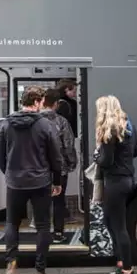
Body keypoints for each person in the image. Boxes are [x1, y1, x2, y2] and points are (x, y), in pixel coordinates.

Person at [0, 86, 63, 274]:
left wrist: (10, 173)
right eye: (41, 102)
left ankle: (12, 266)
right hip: (40, 181)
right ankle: (39, 272)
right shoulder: (45, 125)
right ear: (36, 102)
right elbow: (55, 157)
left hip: (15, 182)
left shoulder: (6, 124)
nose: (42, 105)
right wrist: (56, 181)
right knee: (42, 226)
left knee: (12, 223)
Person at [94, 95, 137, 274]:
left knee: (119, 226)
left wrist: (97, 156)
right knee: (109, 221)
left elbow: (106, 161)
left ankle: (127, 270)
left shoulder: (110, 130)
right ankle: (121, 262)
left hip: (115, 183)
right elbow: (136, 151)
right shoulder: (129, 126)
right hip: (126, 180)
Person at [40, 88, 78, 243]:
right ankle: (58, 233)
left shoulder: (34, 121)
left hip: (38, 169)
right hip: (59, 169)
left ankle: (41, 233)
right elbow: (68, 146)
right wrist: (72, 163)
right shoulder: (61, 122)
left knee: (40, 201)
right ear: (56, 104)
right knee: (58, 201)